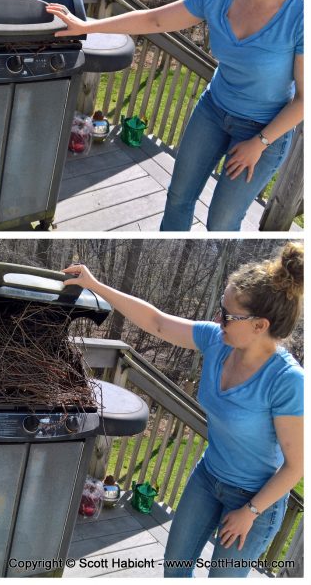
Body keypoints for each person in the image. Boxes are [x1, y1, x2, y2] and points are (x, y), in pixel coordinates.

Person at [47, 0, 304, 231]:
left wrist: (259, 143)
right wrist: (86, 27)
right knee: (179, 198)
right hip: (213, 111)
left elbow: (304, 99)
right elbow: (153, 21)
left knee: (222, 222)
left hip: (265, 130)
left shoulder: (300, 15)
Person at [62, 241, 303, 577]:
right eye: (221, 306)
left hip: (257, 500)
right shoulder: (219, 341)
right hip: (209, 477)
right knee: (174, 570)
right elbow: (157, 322)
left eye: (228, 315)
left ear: (260, 325)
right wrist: (94, 285)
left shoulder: (287, 380)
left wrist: (249, 511)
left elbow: (296, 467)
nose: (218, 318)